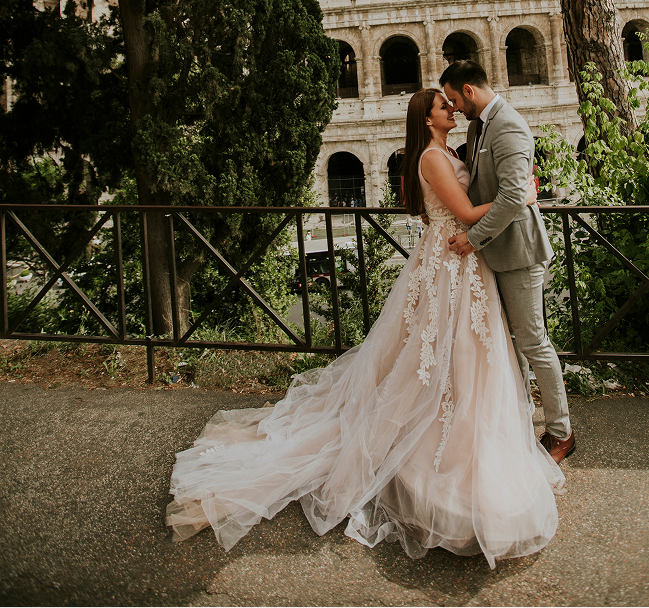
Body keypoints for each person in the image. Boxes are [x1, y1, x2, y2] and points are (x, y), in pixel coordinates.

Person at [166, 87, 564, 567]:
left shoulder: (446, 151)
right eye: (444, 107)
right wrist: (520, 198)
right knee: (443, 351)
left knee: (460, 352)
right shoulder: (434, 159)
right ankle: (443, 443)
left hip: (460, 260)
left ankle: (471, 430)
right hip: (452, 259)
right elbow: (463, 212)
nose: (452, 109)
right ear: (428, 119)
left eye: (451, 103)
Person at [440, 60, 574, 464]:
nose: (453, 107)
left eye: (453, 99)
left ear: (469, 90)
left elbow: (516, 196)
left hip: (518, 251)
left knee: (533, 341)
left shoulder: (509, 124)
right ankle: (519, 421)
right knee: (506, 344)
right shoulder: (478, 123)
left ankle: (561, 433)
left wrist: (473, 239)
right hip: (495, 251)